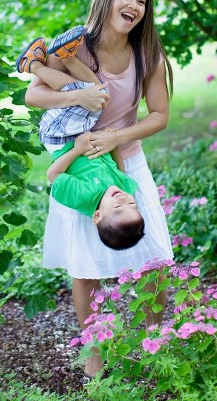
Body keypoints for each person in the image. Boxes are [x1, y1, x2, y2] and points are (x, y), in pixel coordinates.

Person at [25, 0, 175, 377]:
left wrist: (116, 137)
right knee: (85, 265)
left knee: (154, 256)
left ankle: (153, 345)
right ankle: (94, 359)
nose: (134, 6)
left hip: (126, 161)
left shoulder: (148, 55)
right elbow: (33, 95)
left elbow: (160, 116)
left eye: (141, 1)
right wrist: (81, 98)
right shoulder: (78, 47)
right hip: (80, 163)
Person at [15, 32, 145, 251]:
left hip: (60, 137)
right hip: (80, 131)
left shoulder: (83, 197)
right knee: (100, 95)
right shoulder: (124, 188)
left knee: (84, 92)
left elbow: (53, 175)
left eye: (117, 208)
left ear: (97, 216)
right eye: (131, 204)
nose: (123, 199)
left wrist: (77, 150)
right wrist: (113, 145)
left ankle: (34, 66)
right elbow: (120, 169)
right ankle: (66, 56)